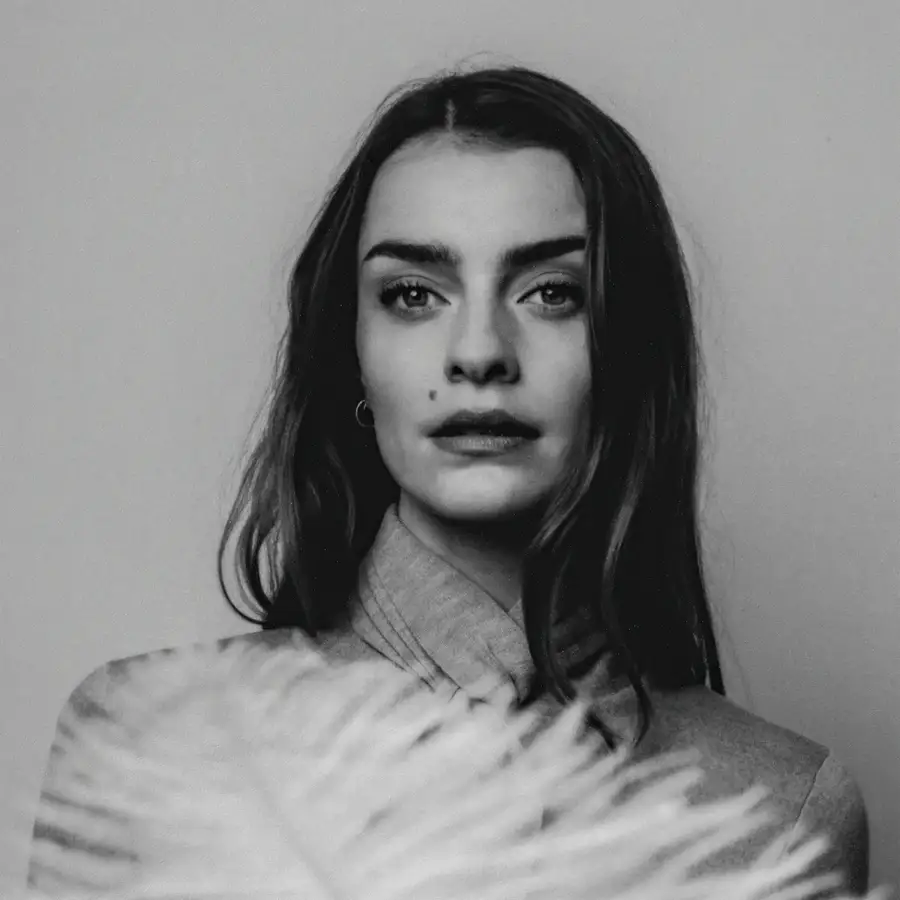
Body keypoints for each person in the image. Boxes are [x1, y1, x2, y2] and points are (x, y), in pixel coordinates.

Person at [28, 61, 869, 892]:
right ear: (352, 354)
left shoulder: (781, 805)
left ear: (628, 348)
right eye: (413, 294)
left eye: (551, 293)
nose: (478, 353)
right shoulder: (151, 739)